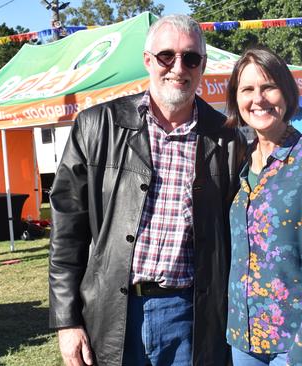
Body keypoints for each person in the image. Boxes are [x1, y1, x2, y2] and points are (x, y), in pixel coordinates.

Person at [48, 14, 246, 366]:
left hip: (191, 316)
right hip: (112, 313)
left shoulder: (227, 138)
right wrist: (67, 321)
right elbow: (67, 235)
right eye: (166, 56)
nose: (178, 67)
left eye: (191, 58)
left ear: (202, 66)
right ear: (147, 61)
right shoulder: (97, 127)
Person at [224, 47, 302, 366]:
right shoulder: (237, 159)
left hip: (294, 344)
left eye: (268, 87)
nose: (258, 99)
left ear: (287, 92)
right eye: (247, 89)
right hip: (243, 337)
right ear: (236, 99)